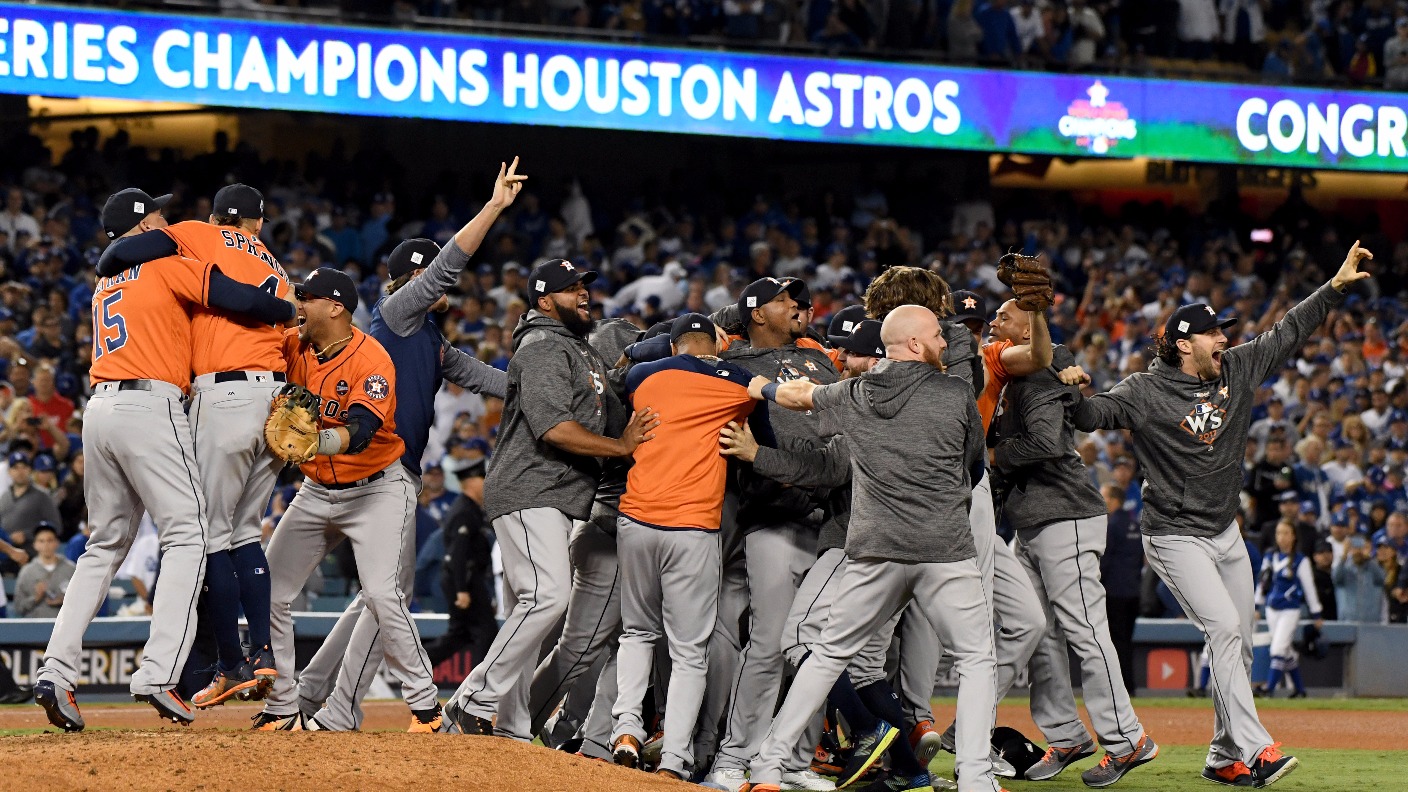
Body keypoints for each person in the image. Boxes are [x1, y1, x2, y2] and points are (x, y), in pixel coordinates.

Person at [1067, 241, 1373, 788]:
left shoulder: (1236, 367)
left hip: (1224, 531)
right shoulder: (1144, 389)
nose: (1223, 338)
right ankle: (1258, 750)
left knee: (1240, 641)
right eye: (1213, 332)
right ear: (1184, 345)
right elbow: (1095, 414)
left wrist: (1334, 287)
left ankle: (1222, 755)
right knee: (1225, 629)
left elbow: (1287, 331)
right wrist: (1064, 387)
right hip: (1174, 535)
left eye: (1223, 331)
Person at [35, 186, 297, 732]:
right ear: (140, 225)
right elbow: (237, 296)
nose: (164, 217)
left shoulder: (107, 279)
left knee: (102, 546)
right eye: (154, 212)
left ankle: (55, 670)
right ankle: (158, 672)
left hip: (100, 408)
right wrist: (282, 308)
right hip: (150, 407)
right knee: (190, 534)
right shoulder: (163, 264)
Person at [282, 161, 520, 733]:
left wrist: (568, 386)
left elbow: (497, 382)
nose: (445, 287)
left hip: (389, 475)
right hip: (372, 470)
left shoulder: (432, 340)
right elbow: (445, 269)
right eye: (429, 280)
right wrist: (492, 209)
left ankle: (316, 690)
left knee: (379, 595)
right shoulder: (398, 314)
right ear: (408, 283)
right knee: (389, 595)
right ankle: (338, 707)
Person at [738, 305, 999, 792]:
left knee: (827, 655)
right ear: (917, 345)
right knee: (977, 659)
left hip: (874, 549)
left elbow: (800, 397)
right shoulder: (955, 392)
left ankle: (770, 766)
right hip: (944, 549)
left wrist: (762, 389)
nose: (946, 343)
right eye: (939, 336)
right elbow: (973, 469)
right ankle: (976, 779)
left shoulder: (854, 393)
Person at [442, 258, 658, 738]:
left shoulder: (575, 348)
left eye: (584, 285)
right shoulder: (543, 345)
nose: (582, 292)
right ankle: (471, 699)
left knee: (531, 614)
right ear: (544, 300)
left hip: (555, 495)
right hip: (530, 486)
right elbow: (555, 429)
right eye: (569, 288)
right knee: (547, 596)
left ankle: (514, 726)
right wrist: (621, 446)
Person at [252, 268, 440, 732]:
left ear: (335, 307)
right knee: (270, 590)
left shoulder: (371, 358)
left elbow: (360, 431)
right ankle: (282, 706)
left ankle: (426, 706)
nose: (299, 305)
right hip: (317, 491)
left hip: (377, 488)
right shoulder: (296, 347)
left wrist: (315, 443)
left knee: (381, 593)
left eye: (308, 298)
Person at [609, 314, 769, 781]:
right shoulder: (736, 385)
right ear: (718, 344)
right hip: (693, 527)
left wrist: (656, 347)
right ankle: (676, 759)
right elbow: (763, 442)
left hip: (636, 519)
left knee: (636, 633)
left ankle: (627, 730)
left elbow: (635, 361)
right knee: (688, 651)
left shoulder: (643, 375)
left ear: (674, 343)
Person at [990, 337, 1157, 786]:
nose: (993, 329)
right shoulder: (1007, 375)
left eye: (1003, 319)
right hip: (1030, 523)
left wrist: (994, 455)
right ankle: (1066, 735)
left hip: (1067, 516)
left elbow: (1044, 441)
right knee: (1037, 631)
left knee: (1085, 631)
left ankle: (1127, 740)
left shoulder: (1040, 370)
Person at [701, 276, 838, 791]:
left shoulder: (821, 361)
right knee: (768, 644)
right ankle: (732, 759)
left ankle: (795, 761)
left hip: (832, 522)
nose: (798, 306)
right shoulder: (732, 369)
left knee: (816, 649)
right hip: (773, 517)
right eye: (783, 301)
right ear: (757, 314)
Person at [425, 457, 497, 668]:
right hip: (465, 578)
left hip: (463, 577)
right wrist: (462, 589)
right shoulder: (464, 511)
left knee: (460, 634)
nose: (485, 482)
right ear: (471, 482)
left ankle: (415, 666)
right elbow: (458, 553)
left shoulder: (471, 508)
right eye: (481, 478)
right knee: (486, 632)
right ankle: (477, 689)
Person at [1255, 522, 1323, 698]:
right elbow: (1262, 583)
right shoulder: (1270, 556)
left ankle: (1268, 688)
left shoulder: (1301, 560)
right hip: (1272, 609)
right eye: (1279, 533)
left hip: (1290, 610)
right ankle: (1300, 690)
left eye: (1286, 533)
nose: (1281, 537)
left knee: (1277, 649)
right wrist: (1257, 604)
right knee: (1286, 651)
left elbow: (1309, 588)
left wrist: (1316, 612)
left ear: (1293, 536)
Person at [13, 522, 75, 618]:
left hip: (65, 626)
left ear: (56, 543)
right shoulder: (27, 572)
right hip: (35, 628)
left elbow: (84, 601)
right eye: (41, 541)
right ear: (35, 545)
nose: (46, 545)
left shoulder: (71, 569)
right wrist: (36, 598)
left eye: (50, 540)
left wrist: (65, 601)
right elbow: (18, 607)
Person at [1332, 535, 1385, 623]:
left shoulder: (1373, 568)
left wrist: (1369, 558)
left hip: (1371, 623)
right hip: (1347, 622)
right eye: (1354, 548)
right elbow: (1336, 578)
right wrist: (1344, 556)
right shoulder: (1344, 569)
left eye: (1362, 548)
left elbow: (1382, 579)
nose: (1358, 551)